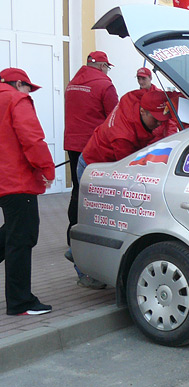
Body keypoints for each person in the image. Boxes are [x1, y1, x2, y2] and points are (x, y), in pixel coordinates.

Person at [0, 68, 55, 316]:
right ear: (18, 84)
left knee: (12, 233)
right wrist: (47, 169)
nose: (29, 93)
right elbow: (32, 139)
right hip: (17, 180)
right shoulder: (17, 100)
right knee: (22, 238)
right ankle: (20, 302)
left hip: (5, 180)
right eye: (28, 87)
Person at [64, 51, 119, 250]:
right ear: (103, 66)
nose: (107, 71)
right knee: (96, 192)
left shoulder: (72, 83)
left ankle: (72, 232)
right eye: (107, 67)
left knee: (77, 188)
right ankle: (90, 235)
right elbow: (115, 118)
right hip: (93, 148)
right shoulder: (105, 85)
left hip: (72, 143)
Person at [79, 89, 174, 178]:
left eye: (162, 118)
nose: (160, 123)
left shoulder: (135, 97)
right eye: (156, 119)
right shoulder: (123, 137)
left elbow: (168, 97)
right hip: (93, 166)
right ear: (142, 111)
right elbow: (128, 170)